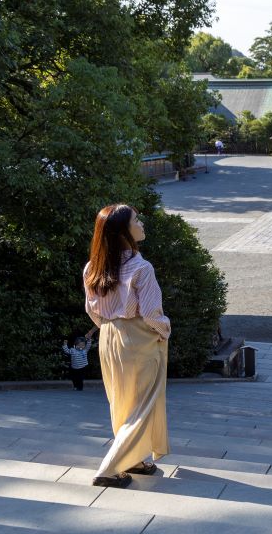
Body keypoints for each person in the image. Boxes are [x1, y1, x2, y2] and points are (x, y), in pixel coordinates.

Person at [83, 204, 171, 488]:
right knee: (143, 404)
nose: (141, 223)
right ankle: (109, 468)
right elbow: (151, 314)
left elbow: (91, 310)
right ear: (123, 232)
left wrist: (110, 329)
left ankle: (132, 459)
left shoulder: (92, 267)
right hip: (137, 337)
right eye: (136, 220)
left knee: (122, 402)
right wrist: (164, 330)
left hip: (108, 337)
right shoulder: (141, 268)